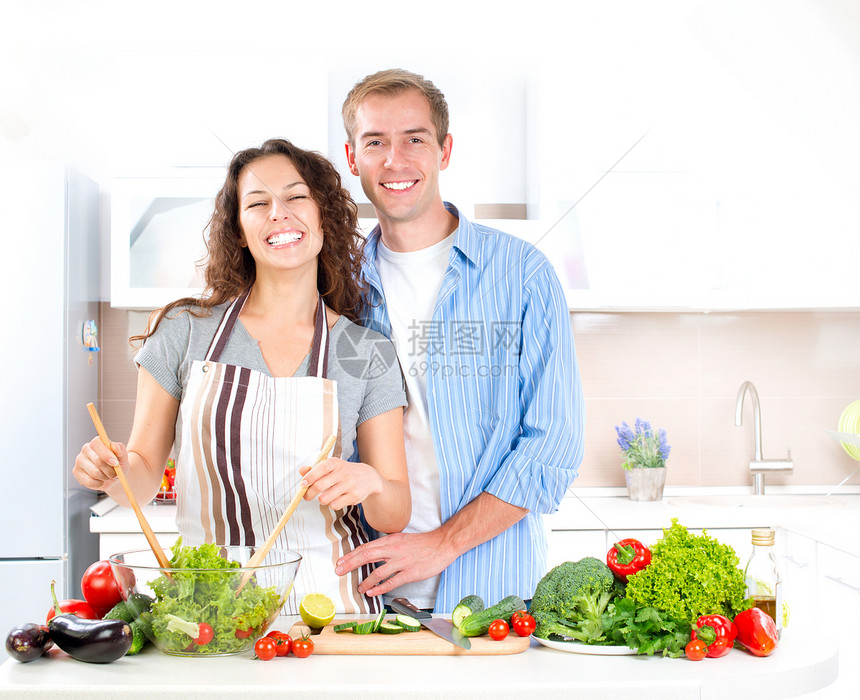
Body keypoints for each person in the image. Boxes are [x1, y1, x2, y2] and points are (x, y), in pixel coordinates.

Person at [73, 138, 409, 614]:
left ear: (323, 217)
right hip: (209, 608)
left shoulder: (365, 350)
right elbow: (142, 478)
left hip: (329, 608)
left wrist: (369, 482)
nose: (279, 213)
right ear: (240, 230)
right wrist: (111, 472)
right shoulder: (183, 330)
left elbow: (394, 510)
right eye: (258, 203)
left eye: (296, 197)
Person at [334, 69, 585, 612]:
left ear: (444, 150)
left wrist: (440, 546)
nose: (395, 160)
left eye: (415, 139)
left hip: (491, 596)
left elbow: (553, 445)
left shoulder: (523, 275)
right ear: (352, 158)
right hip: (365, 599)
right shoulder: (337, 286)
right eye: (375, 141)